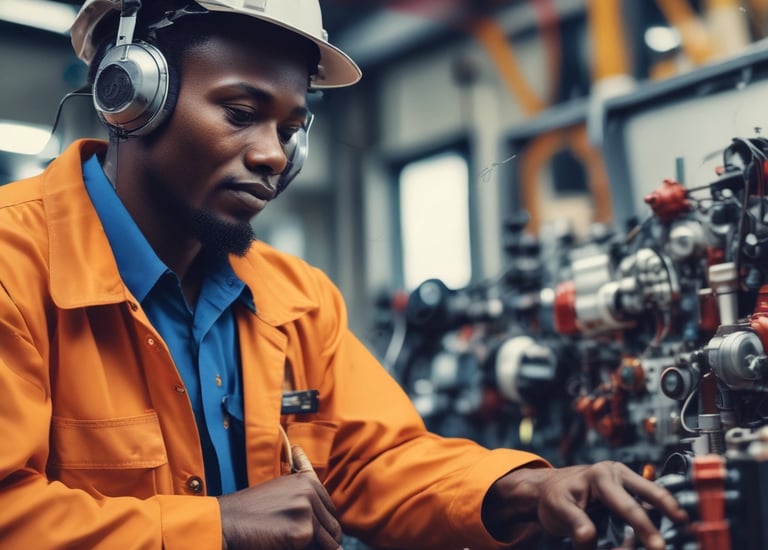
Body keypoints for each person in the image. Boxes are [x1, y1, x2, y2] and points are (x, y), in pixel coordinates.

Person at [0, 1, 688, 549]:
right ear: (131, 97)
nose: (273, 155)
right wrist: (217, 529)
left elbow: (374, 461)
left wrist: (521, 489)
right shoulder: (14, 266)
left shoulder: (296, 300)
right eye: (241, 114)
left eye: (291, 127)